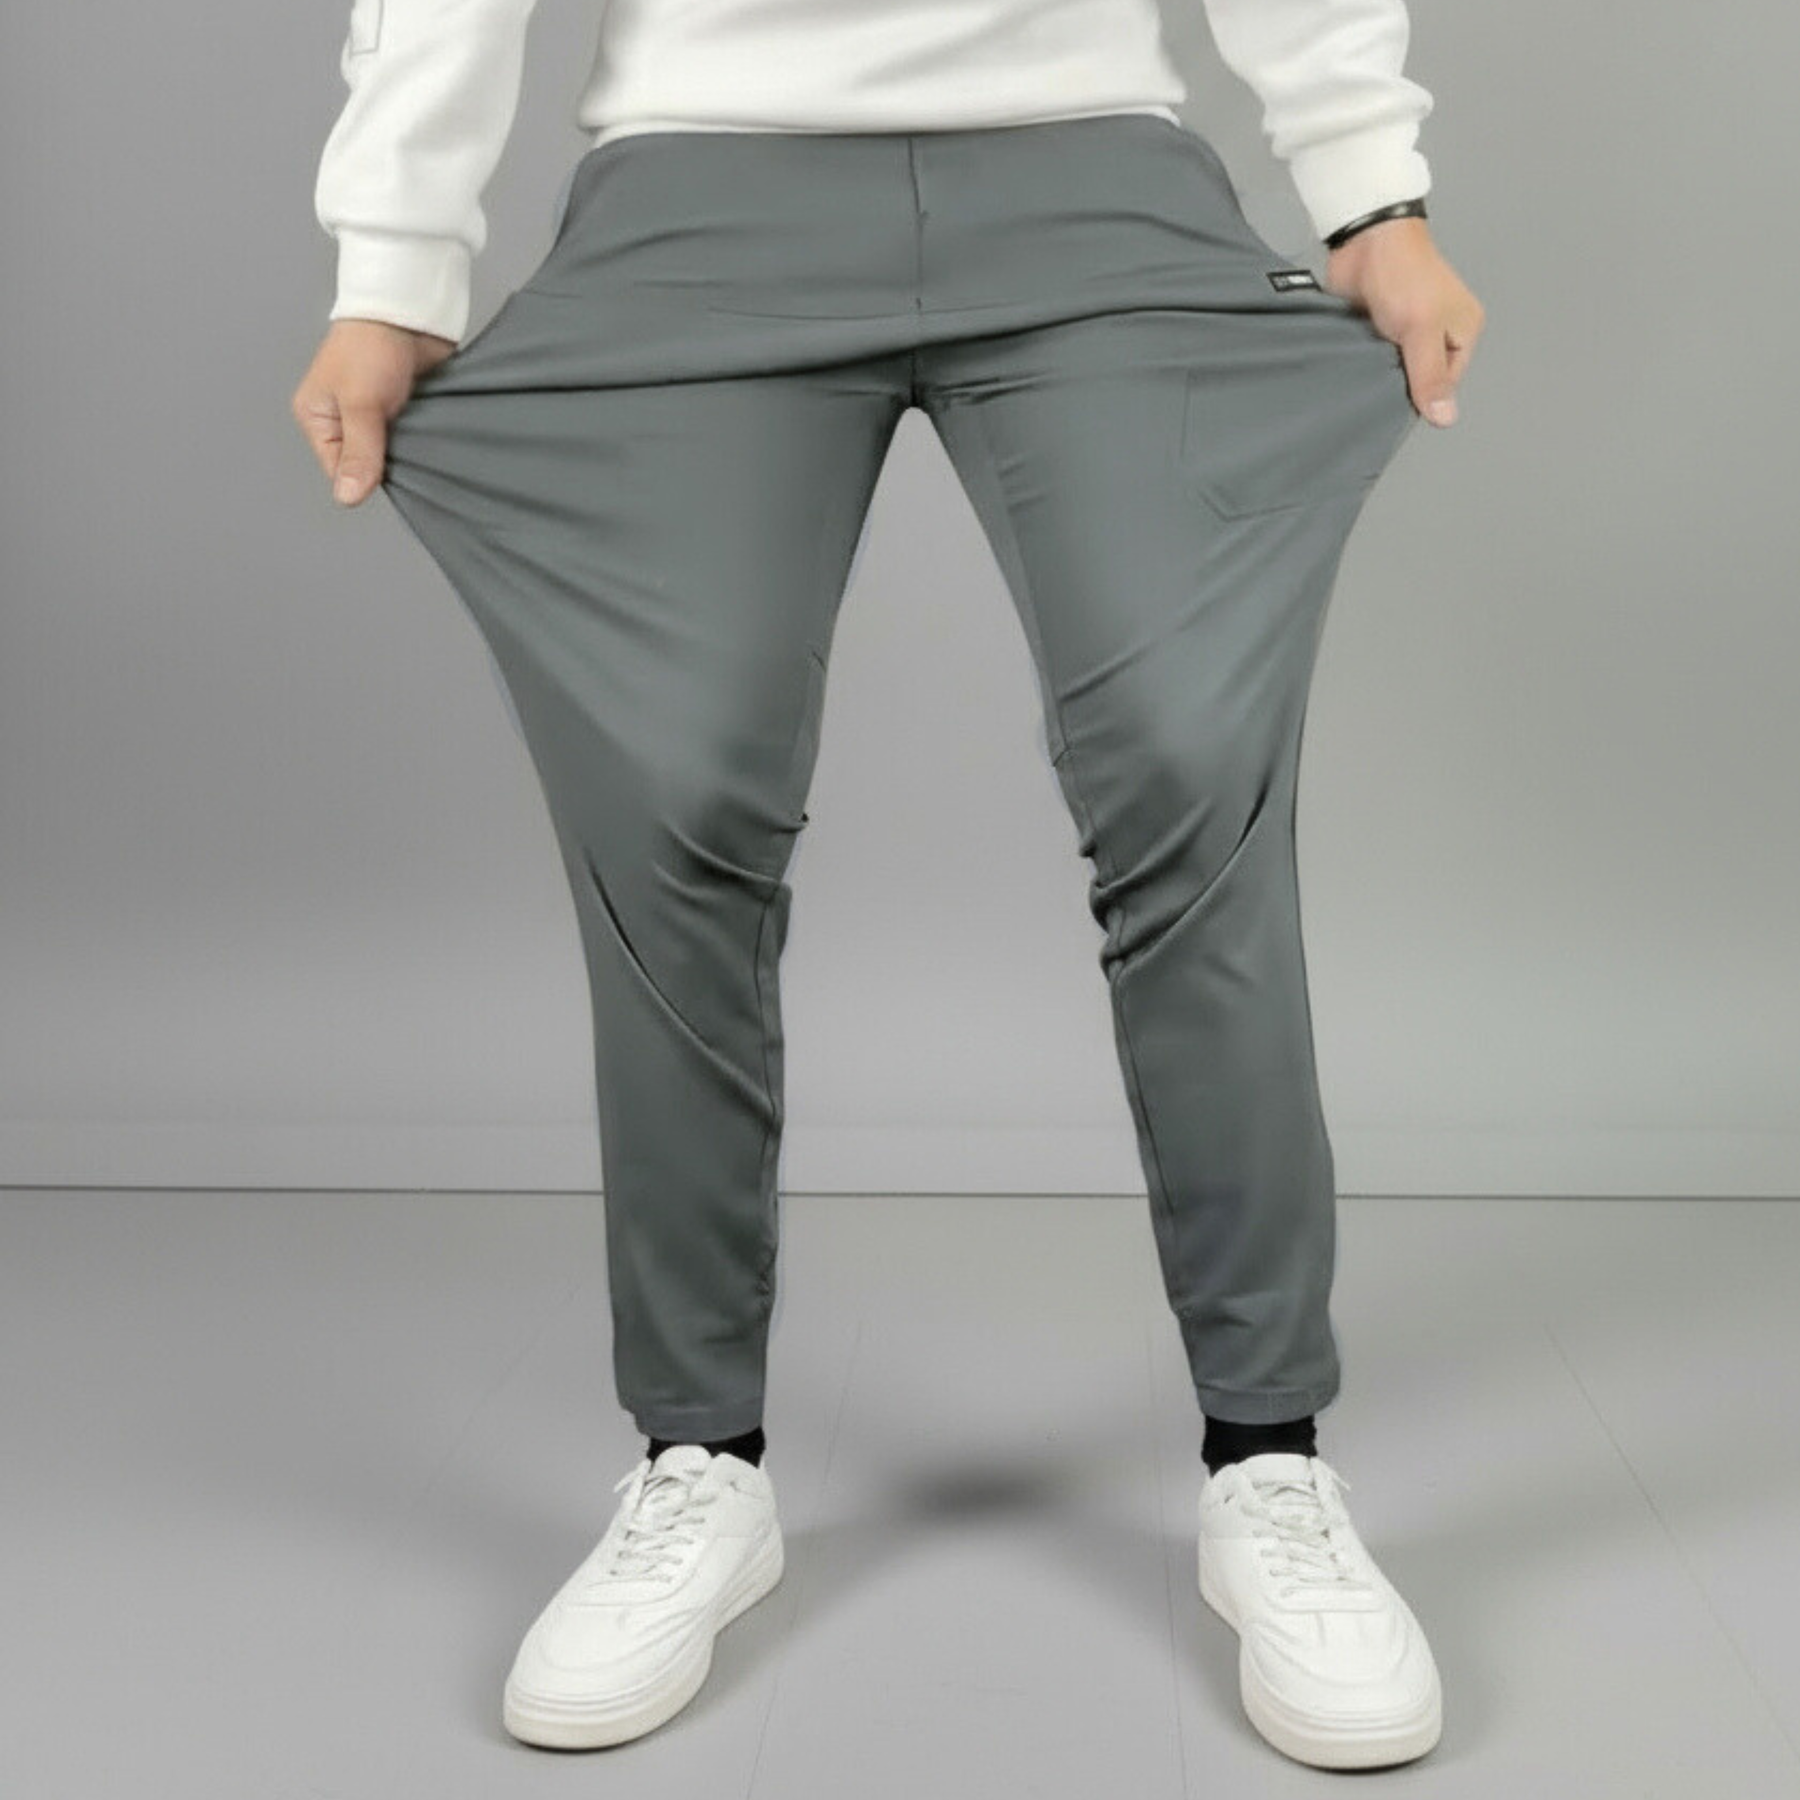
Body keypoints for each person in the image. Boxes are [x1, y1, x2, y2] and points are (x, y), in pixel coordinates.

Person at [290, 0, 1483, 1770]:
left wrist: (1371, 187)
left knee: (1186, 751)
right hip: (702, 181)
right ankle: (700, 1461)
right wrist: (394, 258)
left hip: (1087, 162)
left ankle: (1271, 1464)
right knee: (670, 789)